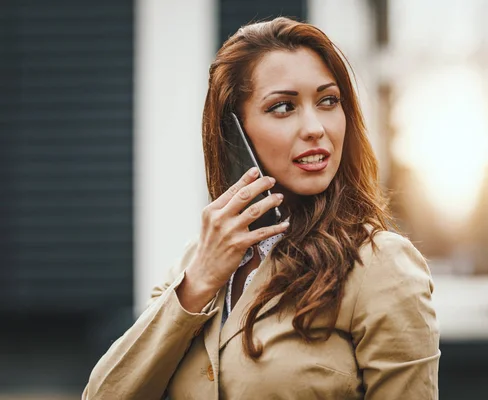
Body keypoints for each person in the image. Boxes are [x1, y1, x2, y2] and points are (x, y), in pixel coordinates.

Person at [82, 16, 440, 400]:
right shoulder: (197, 262)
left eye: (328, 101)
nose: (315, 127)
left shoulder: (381, 264)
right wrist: (200, 280)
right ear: (235, 133)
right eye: (284, 107)